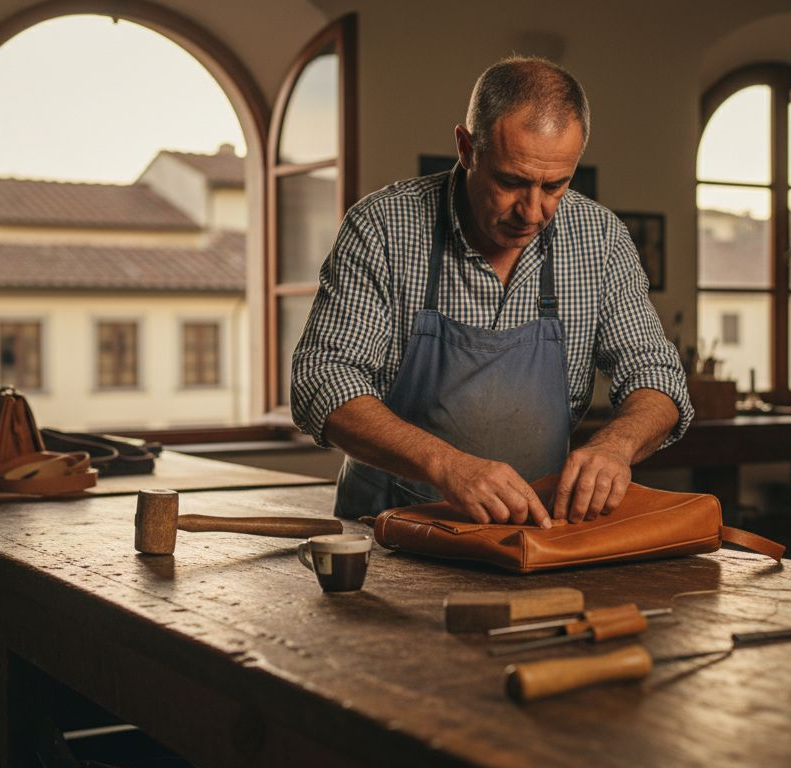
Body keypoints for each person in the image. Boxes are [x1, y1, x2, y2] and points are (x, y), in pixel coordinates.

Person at [291, 56, 692, 528]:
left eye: (556, 185)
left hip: (533, 534)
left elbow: (656, 373)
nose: (533, 210)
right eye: (511, 181)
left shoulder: (599, 239)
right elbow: (323, 376)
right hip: (389, 530)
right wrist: (445, 465)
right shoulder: (382, 227)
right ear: (466, 147)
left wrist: (615, 445)